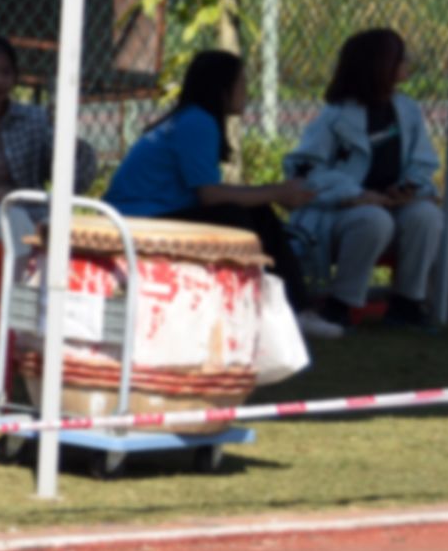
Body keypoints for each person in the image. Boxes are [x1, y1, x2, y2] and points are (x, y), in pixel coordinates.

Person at [102, 50, 333, 338]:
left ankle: (280, 308)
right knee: (245, 215)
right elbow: (210, 196)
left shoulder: (191, 119)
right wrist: (277, 192)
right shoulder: (198, 122)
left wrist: (273, 193)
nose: (247, 92)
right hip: (137, 221)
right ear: (222, 89)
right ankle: (287, 310)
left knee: (251, 212)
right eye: (242, 83)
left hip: (144, 215)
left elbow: (208, 194)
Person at [284, 29, 443, 329]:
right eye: (400, 57)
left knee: (426, 215)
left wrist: (410, 187)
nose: (407, 62)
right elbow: (303, 170)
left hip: (390, 208)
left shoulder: (407, 109)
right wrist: (355, 195)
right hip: (338, 213)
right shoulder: (335, 115)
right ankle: (340, 305)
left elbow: (423, 162)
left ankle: (407, 304)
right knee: (373, 218)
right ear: (380, 65)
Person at [0, 34, 96, 245]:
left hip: (30, 214)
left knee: (38, 224)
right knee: (10, 222)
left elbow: (77, 181)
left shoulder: (32, 119)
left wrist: (69, 141)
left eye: (6, 72)